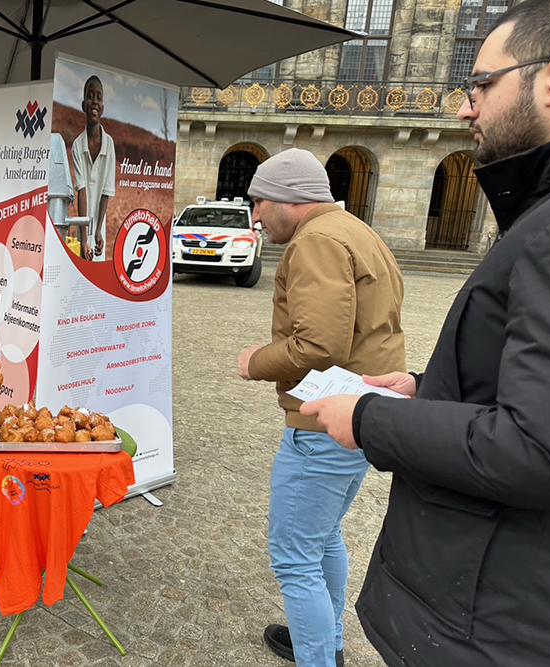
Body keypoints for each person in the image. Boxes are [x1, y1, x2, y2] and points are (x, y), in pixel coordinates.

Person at [301, 2, 550, 665]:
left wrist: (372, 418)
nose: (465, 108)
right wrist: (426, 389)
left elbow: (537, 447)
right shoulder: (538, 218)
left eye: (482, 85)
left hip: (490, 624)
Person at [235, 148, 405, 667]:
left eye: (259, 201)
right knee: (323, 537)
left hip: (324, 423)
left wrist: (254, 361)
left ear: (290, 197)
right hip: (358, 417)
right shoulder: (356, 230)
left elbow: (317, 347)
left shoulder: (316, 242)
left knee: (293, 557)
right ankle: (325, 640)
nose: (256, 215)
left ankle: (319, 657)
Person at [71, 74, 116, 261]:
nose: (94, 102)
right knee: (79, 272)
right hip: (82, 228)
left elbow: (106, 191)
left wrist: (97, 232)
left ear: (103, 108)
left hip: (98, 229)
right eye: (90, 96)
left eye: (98, 97)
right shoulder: (77, 146)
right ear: (83, 105)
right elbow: (81, 191)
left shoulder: (109, 144)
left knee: (96, 276)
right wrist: (83, 240)